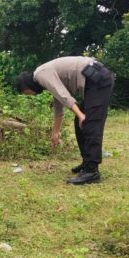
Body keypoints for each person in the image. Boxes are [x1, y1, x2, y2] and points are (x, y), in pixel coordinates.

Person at [15, 56, 114, 185]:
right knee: (80, 125)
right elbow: (58, 105)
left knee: (90, 124)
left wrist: (80, 114)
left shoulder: (40, 74)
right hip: (93, 78)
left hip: (97, 78)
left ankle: (92, 172)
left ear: (26, 87)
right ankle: (86, 163)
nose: (29, 95)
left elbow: (63, 94)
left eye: (26, 93)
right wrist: (55, 133)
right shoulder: (44, 76)